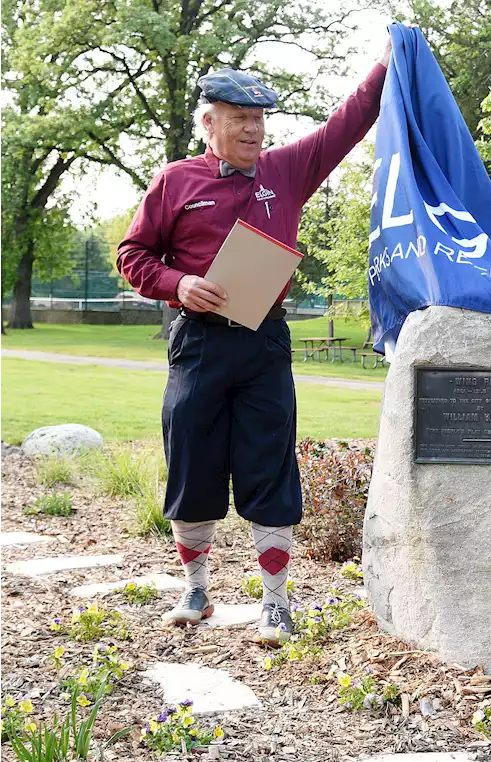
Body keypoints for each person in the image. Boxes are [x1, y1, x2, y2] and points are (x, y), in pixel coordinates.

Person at [117, 39, 394, 647]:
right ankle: (196, 590)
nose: (253, 128)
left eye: (260, 119)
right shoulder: (174, 181)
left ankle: (275, 603)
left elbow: (346, 124)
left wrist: (387, 61)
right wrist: (177, 283)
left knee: (270, 465)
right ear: (209, 123)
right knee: (191, 461)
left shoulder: (285, 170)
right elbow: (132, 255)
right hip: (198, 344)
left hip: (264, 340)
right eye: (240, 119)